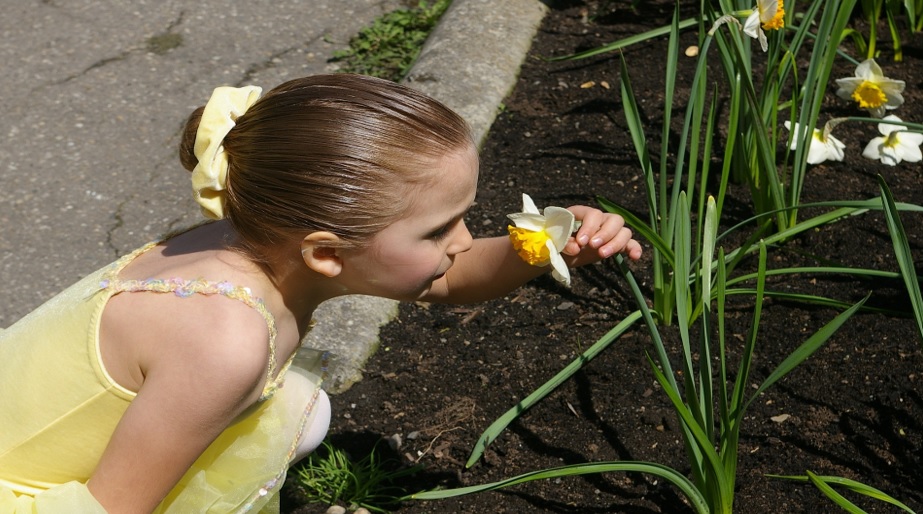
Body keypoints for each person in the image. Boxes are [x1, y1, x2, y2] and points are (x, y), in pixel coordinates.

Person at [0, 74, 642, 514]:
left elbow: (448, 276)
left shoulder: (249, 229)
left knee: (303, 412)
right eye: (439, 228)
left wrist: (548, 245)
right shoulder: (223, 341)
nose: (463, 240)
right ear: (327, 254)